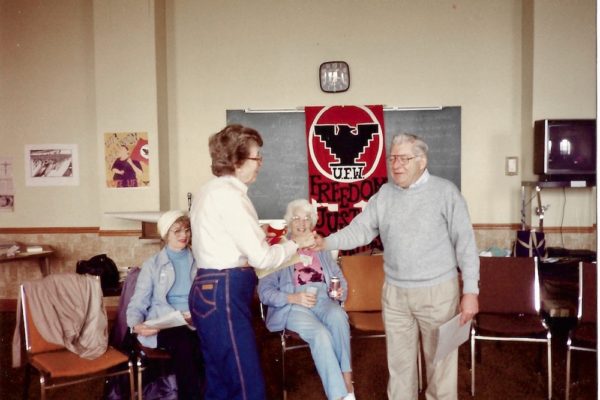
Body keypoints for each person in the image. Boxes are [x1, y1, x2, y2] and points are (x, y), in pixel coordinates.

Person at [315, 133, 480, 400]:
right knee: (400, 368)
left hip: (438, 293)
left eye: (405, 158)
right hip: (395, 294)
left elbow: (466, 244)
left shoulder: (445, 191)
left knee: (440, 368)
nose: (397, 165)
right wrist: (326, 242)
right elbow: (360, 231)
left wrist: (470, 291)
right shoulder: (385, 194)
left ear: (422, 161)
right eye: (393, 158)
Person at [189, 124, 315, 400]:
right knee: (248, 386)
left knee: (220, 383)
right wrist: (296, 243)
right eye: (256, 158)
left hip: (207, 288)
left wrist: (261, 238)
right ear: (237, 161)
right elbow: (262, 259)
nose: (260, 164)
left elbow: (224, 242)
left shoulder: (208, 191)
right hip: (224, 292)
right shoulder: (232, 197)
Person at [258, 199, 355, 400]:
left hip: (322, 298)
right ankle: (338, 396)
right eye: (296, 218)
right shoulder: (278, 249)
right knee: (321, 334)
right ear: (289, 222)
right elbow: (264, 292)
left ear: (312, 222)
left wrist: (339, 293)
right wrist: (293, 297)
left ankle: (347, 380)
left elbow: (338, 276)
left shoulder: (321, 246)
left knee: (338, 317)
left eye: (306, 218)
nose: (302, 223)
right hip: (293, 304)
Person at [127, 210, 204, 400]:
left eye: (186, 230)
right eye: (177, 231)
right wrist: (136, 325)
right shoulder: (152, 265)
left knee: (211, 344)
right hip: (165, 323)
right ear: (165, 235)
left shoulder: (200, 260)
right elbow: (138, 302)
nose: (184, 235)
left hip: (195, 319)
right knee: (186, 344)